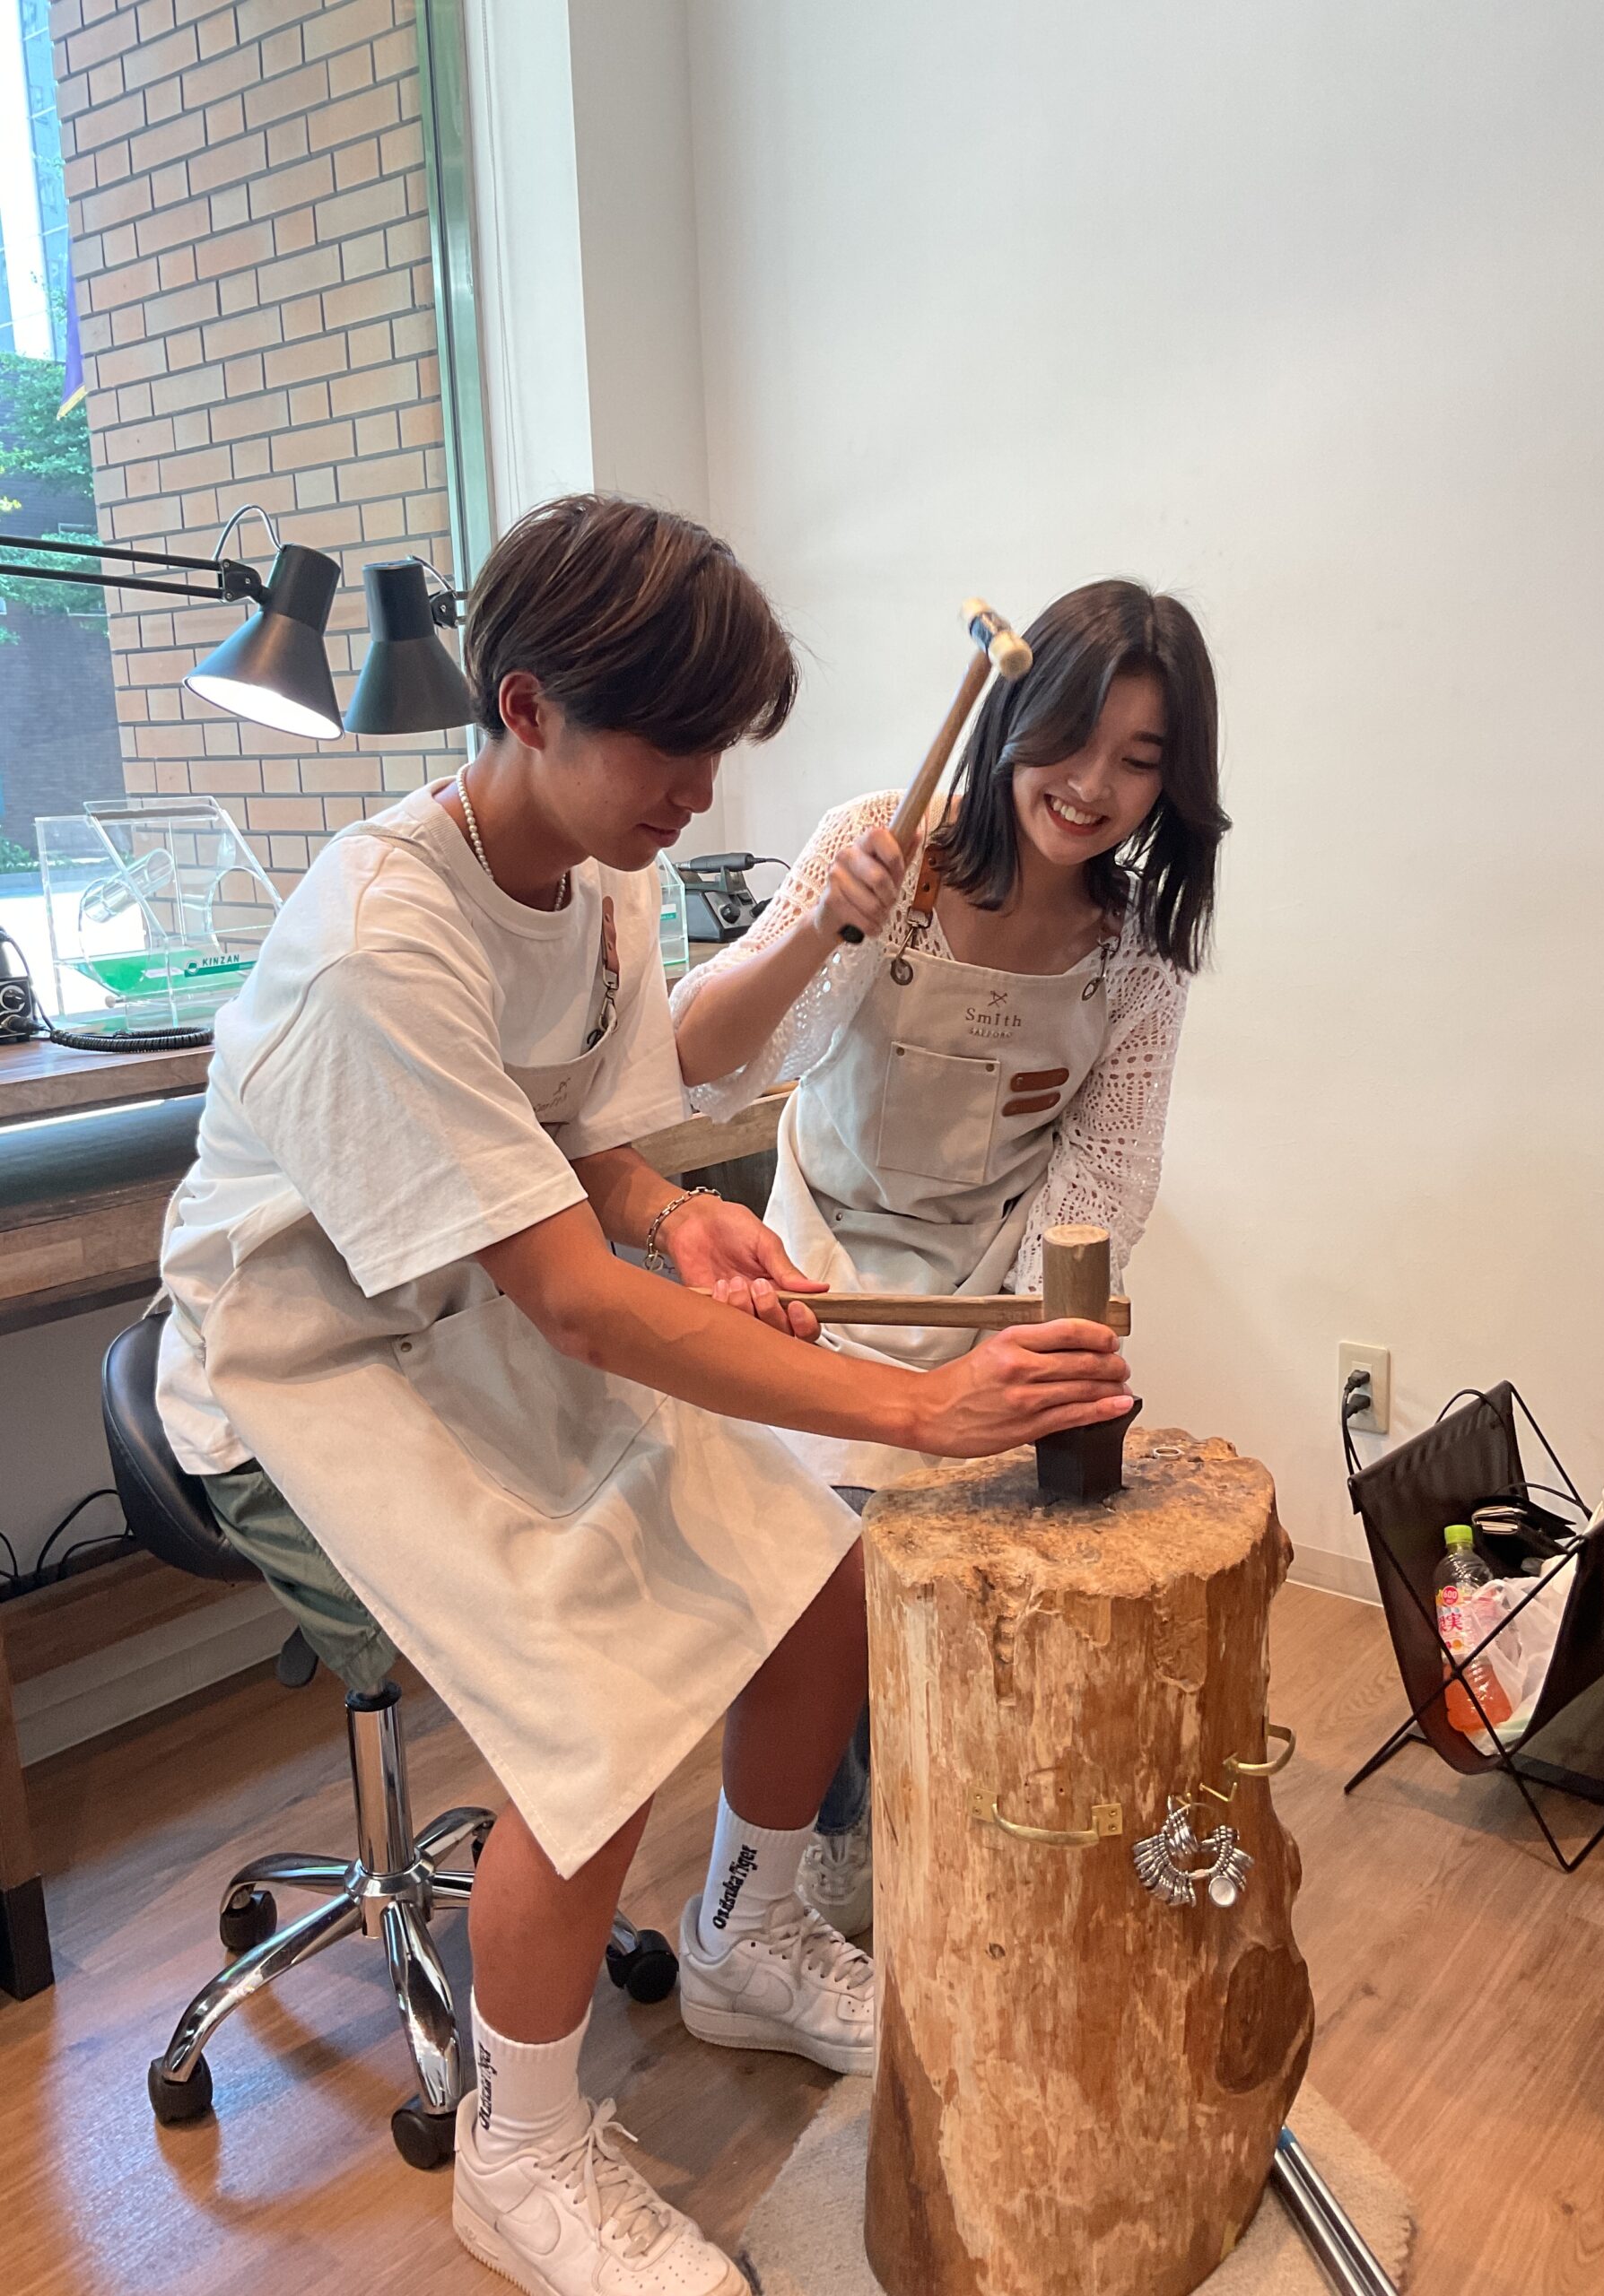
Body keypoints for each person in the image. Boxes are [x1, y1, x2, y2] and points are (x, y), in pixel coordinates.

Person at [153, 496, 1132, 2296]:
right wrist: (913, 1413)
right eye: (669, 749)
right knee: (594, 1684)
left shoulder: (599, 881)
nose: (698, 793)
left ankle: (751, 1933)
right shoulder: (383, 937)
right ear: (527, 706)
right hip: (300, 1360)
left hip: (477, 1301)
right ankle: (518, 2157)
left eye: (717, 748)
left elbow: (591, 1162)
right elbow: (577, 1302)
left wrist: (684, 1215)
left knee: (811, 1559)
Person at [671, 578, 1228, 1937]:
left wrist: (1032, 1334)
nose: (1090, 787)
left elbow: (1106, 1173)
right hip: (817, 1265)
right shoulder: (887, 847)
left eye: (1139, 760)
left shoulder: (1136, 952)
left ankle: (956, 1810)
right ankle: (808, 1852)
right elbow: (702, 1058)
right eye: (1072, 737)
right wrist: (826, 924)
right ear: (1013, 715)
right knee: (827, 1562)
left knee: (1015, 1546)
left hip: (991, 1276)